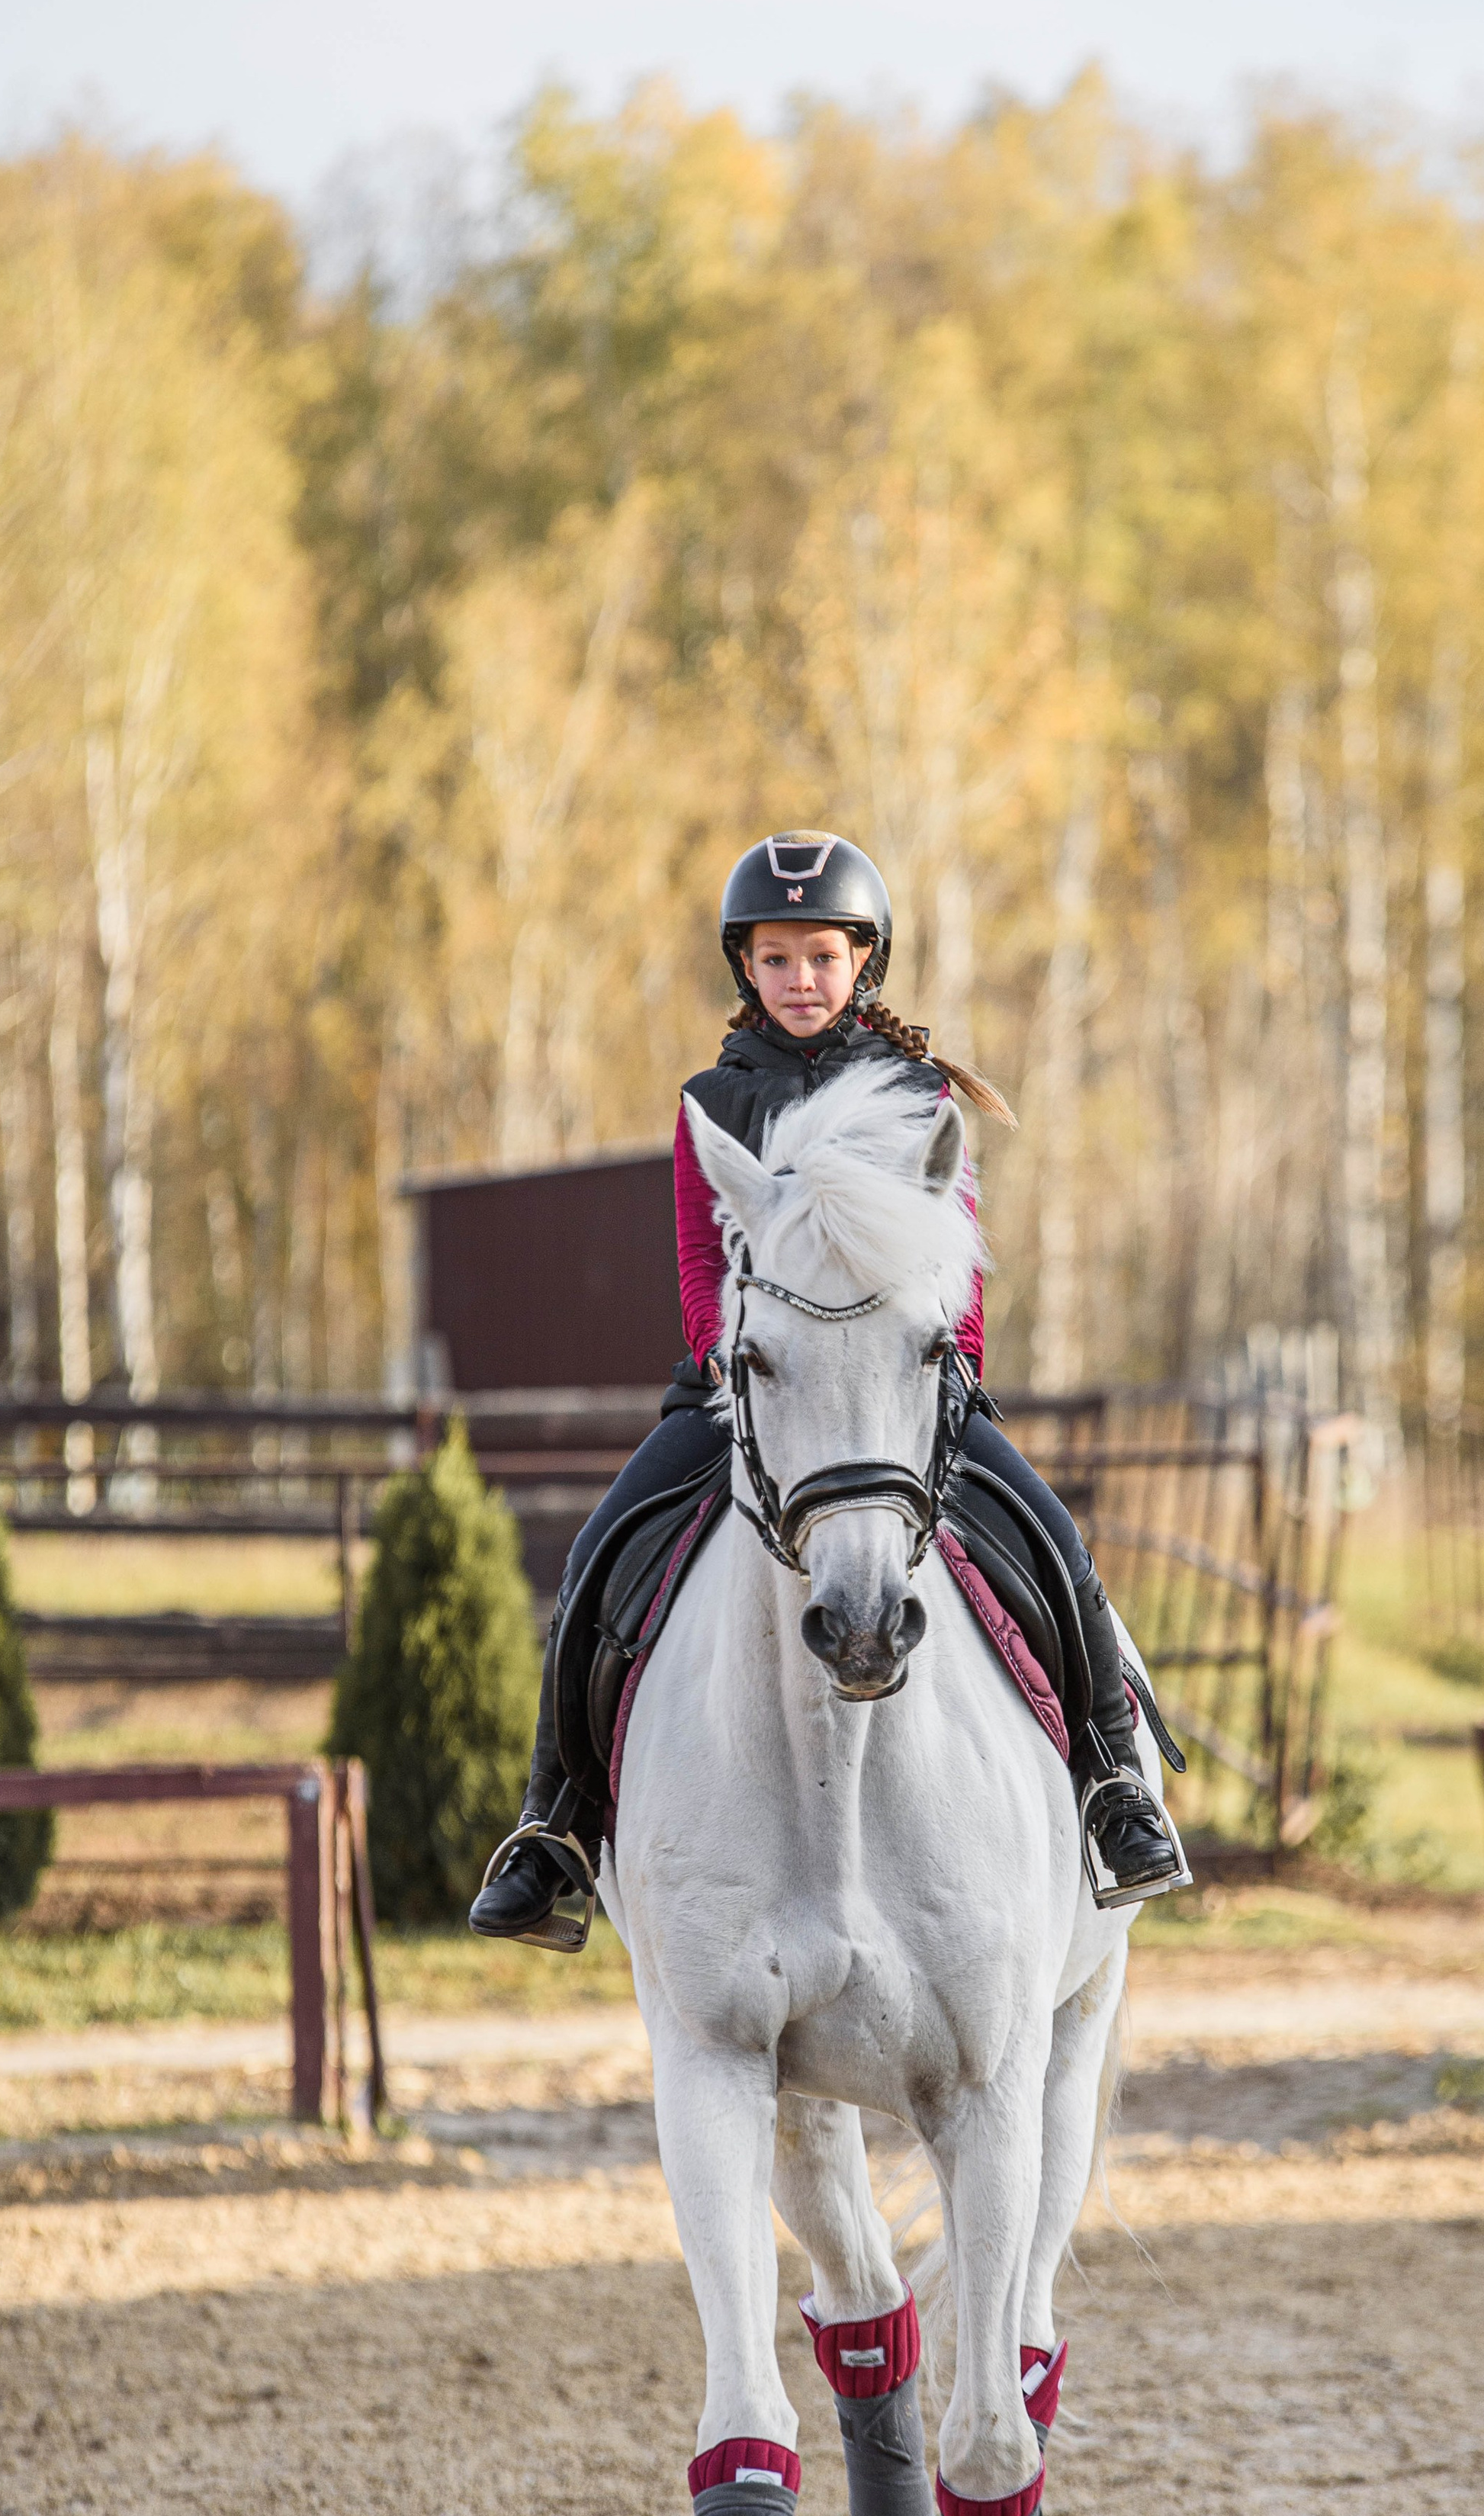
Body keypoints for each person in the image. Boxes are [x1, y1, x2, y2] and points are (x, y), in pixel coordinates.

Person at [471, 829, 1186, 1939]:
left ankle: (1109, 1783)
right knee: (595, 1558)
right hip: (752, 1392)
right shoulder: (713, 1100)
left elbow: (961, 1260)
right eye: (776, 959)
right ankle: (553, 1824)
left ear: (864, 962)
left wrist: (951, 1374)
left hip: (906, 1396)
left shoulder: (912, 1088)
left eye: (820, 956)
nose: (800, 979)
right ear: (744, 969)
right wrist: (726, 1361)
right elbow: (701, 1268)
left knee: (1052, 1539)